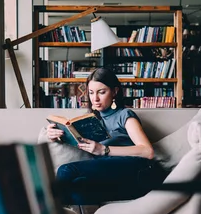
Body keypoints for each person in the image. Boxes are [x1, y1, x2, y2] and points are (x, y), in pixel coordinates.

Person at [45, 68, 167, 205]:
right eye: (91, 93)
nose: (95, 98)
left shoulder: (125, 115)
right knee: (77, 190)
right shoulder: (91, 120)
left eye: (101, 92)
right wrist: (55, 134)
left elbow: (147, 151)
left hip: (137, 172)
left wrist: (104, 150)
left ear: (115, 91)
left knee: (66, 170)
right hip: (113, 177)